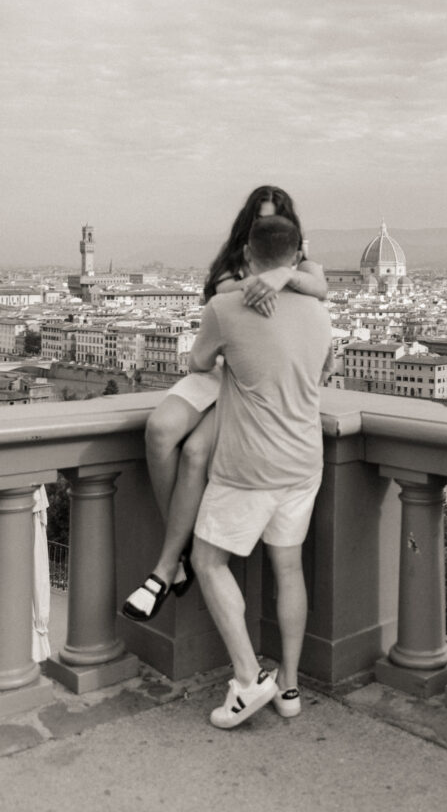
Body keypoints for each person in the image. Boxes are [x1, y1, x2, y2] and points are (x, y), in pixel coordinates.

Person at [122, 186, 327, 622]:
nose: (265, 227)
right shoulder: (233, 262)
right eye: (259, 221)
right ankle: (178, 549)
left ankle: (165, 565)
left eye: (274, 221)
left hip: (249, 381)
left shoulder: (300, 266)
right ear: (249, 228)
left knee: (196, 452)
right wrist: (262, 277)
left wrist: (280, 275)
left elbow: (319, 285)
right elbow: (215, 317)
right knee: (160, 432)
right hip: (215, 367)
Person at [190, 214, 332, 728]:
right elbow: (322, 370)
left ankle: (248, 681)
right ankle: (288, 688)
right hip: (303, 462)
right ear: (296, 258)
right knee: (288, 569)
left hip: (249, 466)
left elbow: (197, 363)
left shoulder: (225, 308)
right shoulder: (319, 313)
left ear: (247, 254)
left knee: (207, 560)